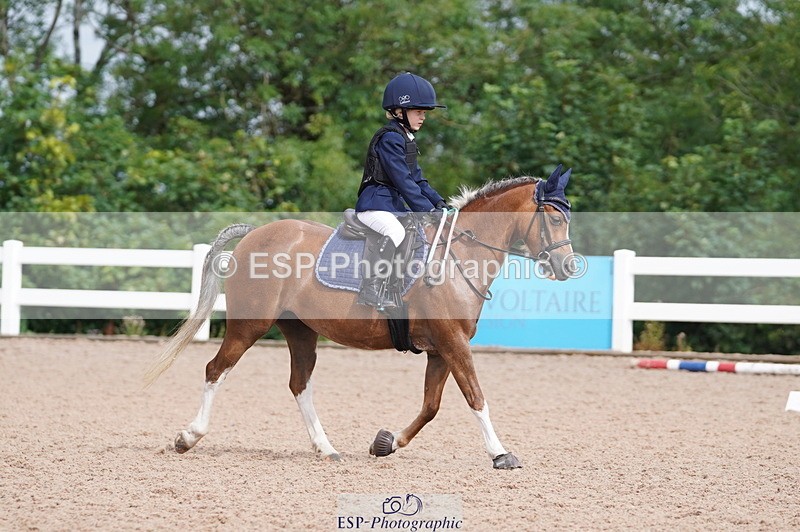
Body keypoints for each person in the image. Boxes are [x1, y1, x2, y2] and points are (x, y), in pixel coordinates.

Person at [355, 72, 451, 310]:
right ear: (400, 111)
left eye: (424, 113)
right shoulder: (390, 138)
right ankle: (371, 288)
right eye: (419, 111)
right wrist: (426, 209)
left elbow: (417, 178)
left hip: (391, 206)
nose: (423, 117)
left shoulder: (405, 138)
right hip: (375, 205)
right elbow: (403, 181)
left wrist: (439, 203)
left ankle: (395, 287)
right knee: (395, 232)